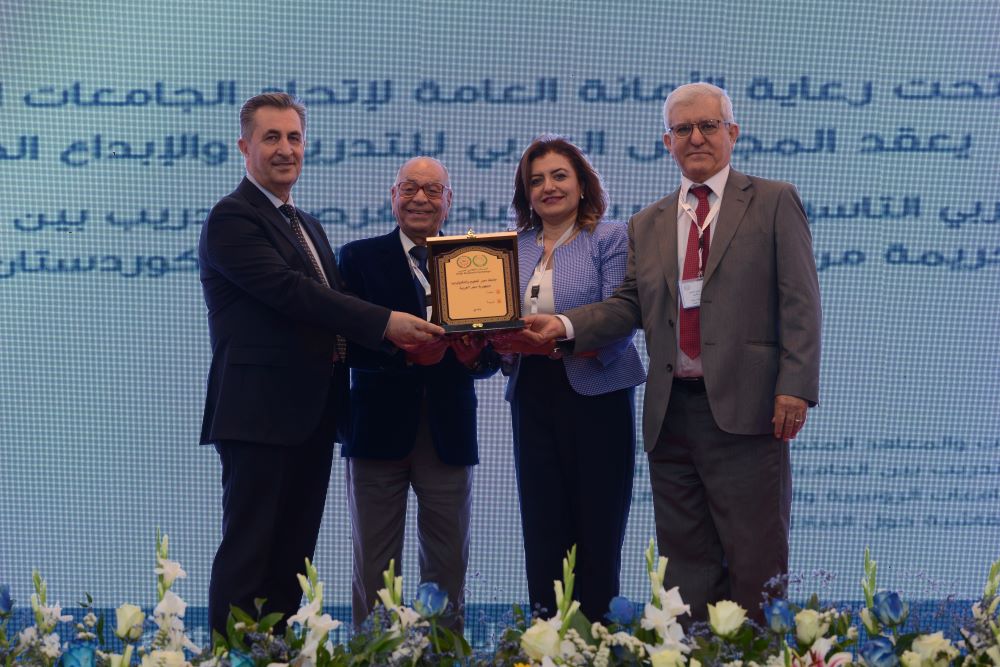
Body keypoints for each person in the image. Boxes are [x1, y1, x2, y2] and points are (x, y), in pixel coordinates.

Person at [521, 84, 821, 623]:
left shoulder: (774, 200)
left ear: (733, 132)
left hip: (749, 408)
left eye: (708, 126)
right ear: (667, 142)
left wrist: (795, 387)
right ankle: (692, 655)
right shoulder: (648, 222)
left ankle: (756, 655)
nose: (696, 137)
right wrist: (564, 325)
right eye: (683, 129)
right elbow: (627, 306)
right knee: (685, 564)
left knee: (755, 558)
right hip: (670, 412)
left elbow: (800, 301)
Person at [199, 93, 443, 635]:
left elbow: (332, 318)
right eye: (271, 137)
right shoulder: (233, 217)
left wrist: (413, 344)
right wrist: (388, 323)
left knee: (290, 559)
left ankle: (277, 653)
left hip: (311, 417)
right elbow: (293, 294)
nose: (285, 149)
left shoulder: (305, 223)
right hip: (258, 418)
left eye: (294, 138)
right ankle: (234, 657)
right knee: (248, 558)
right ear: (244, 146)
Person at [338, 157, 498, 632]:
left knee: (448, 566)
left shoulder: (477, 263)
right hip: (375, 433)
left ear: (449, 200)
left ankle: (442, 656)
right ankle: (374, 658)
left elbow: (493, 354)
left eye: (433, 190)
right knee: (374, 568)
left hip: (449, 434)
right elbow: (343, 345)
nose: (420, 199)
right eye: (409, 188)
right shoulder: (359, 258)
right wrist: (405, 356)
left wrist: (475, 358)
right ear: (393, 197)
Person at [493, 136, 645, 622]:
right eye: (536, 180)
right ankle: (546, 638)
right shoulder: (508, 248)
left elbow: (621, 314)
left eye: (559, 176)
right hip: (532, 395)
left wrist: (561, 332)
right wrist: (489, 339)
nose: (548, 187)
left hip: (597, 395)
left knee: (598, 528)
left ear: (582, 184)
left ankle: (597, 641)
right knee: (542, 526)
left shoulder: (610, 237)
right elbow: (495, 319)